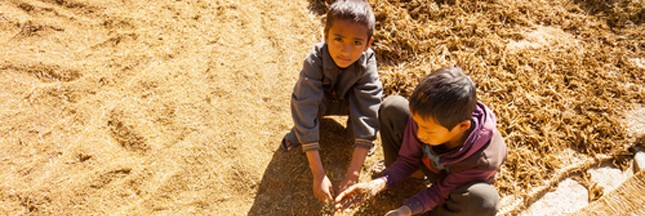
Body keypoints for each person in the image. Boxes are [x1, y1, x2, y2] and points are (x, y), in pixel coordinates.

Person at [335, 66, 508, 216]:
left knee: (483, 199)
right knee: (393, 106)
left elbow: (440, 192)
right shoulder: (428, 118)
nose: (419, 134)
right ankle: (413, 178)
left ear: (462, 126)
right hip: (428, 162)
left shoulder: (481, 160)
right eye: (417, 124)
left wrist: (407, 209)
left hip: (453, 183)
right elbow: (407, 159)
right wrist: (379, 184)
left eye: (428, 130)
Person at [281, 0, 383, 204]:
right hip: (322, 101)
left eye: (356, 43)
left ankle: (359, 140)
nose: (346, 51)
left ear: (367, 44)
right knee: (305, 105)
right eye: (338, 39)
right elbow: (305, 104)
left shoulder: (368, 63)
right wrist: (318, 174)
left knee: (368, 115)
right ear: (326, 35)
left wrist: (353, 173)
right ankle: (301, 134)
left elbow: (368, 109)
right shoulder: (315, 59)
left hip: (348, 104)